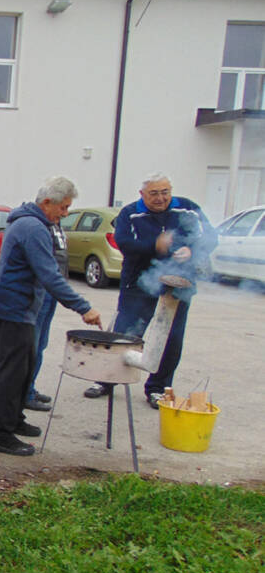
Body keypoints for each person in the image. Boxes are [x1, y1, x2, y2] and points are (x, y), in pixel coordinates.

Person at [0, 176, 102, 456]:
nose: (65, 214)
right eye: (63, 208)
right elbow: (49, 274)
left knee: (25, 367)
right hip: (14, 309)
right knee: (12, 373)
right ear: (47, 202)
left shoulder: (34, 223)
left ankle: (14, 419)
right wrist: (83, 307)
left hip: (23, 308)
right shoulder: (32, 227)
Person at [83, 173, 216, 408]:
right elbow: (124, 243)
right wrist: (155, 246)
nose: (161, 198)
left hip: (179, 282)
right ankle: (106, 380)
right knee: (126, 331)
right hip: (139, 282)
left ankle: (158, 388)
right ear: (142, 194)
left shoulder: (187, 208)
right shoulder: (130, 213)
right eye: (154, 193)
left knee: (171, 336)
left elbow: (210, 237)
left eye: (165, 192)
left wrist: (191, 251)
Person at [23, 221, 68, 412]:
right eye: (63, 207)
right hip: (41, 291)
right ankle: (24, 394)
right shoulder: (36, 227)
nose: (66, 212)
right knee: (31, 347)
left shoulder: (56, 224)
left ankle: (30, 387)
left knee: (41, 344)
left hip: (52, 291)